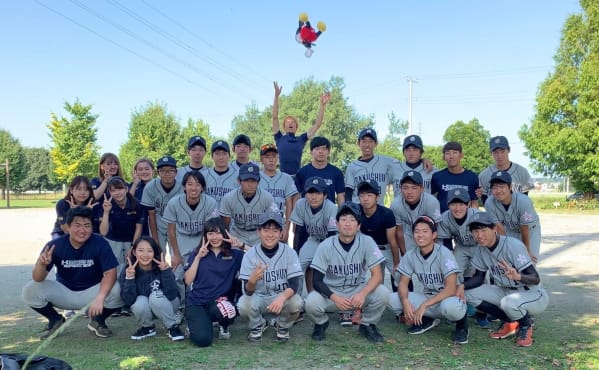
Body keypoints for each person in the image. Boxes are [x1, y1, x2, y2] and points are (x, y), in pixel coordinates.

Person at [22, 206, 123, 339]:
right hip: (65, 292)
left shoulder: (100, 243)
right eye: (77, 225)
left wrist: (100, 298)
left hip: (92, 292)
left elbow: (110, 272)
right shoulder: (54, 245)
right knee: (30, 290)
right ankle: (55, 320)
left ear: (92, 228)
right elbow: (37, 278)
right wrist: (41, 265)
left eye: (87, 225)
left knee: (119, 290)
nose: (82, 230)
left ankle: (98, 320)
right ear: (68, 227)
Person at [305, 202, 389, 343]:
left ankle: (367, 324)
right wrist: (335, 298)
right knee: (311, 302)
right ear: (337, 224)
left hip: (357, 290)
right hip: (333, 292)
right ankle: (321, 323)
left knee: (383, 293)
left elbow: (377, 275)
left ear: (359, 225)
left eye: (352, 219)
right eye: (343, 219)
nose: (348, 223)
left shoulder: (367, 242)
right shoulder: (325, 245)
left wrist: (363, 294)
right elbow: (316, 281)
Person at [462, 212, 549, 347]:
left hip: (532, 294)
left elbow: (535, 279)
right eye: (475, 231)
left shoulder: (513, 245)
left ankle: (526, 324)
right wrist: (458, 287)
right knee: (467, 293)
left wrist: (518, 276)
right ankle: (509, 321)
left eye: (483, 230)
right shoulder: (481, 249)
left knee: (508, 302)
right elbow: (478, 278)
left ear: (494, 229)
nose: (479, 235)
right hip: (505, 291)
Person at [388, 216, 469, 344]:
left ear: (434, 235)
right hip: (428, 297)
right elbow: (403, 283)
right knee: (392, 300)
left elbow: (451, 288)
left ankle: (461, 324)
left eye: (425, 231)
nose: (420, 235)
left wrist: (424, 305)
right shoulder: (411, 255)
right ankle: (428, 320)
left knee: (450, 308)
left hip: (448, 298)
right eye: (417, 231)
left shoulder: (444, 253)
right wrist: (405, 302)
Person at [238, 212, 304, 342]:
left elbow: (295, 285)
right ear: (259, 232)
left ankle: (282, 325)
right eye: (266, 230)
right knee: (243, 304)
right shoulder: (250, 255)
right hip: (259, 298)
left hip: (281, 296)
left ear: (281, 234)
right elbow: (248, 291)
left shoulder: (289, 252)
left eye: (275, 230)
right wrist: (252, 280)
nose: (270, 234)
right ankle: (258, 324)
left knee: (296, 302)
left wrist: (282, 298)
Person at [184, 218, 245, 347]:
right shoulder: (197, 253)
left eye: (218, 233)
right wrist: (198, 258)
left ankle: (224, 325)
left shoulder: (234, 254)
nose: (214, 237)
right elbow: (188, 280)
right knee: (203, 340)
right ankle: (197, 322)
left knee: (226, 309)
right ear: (205, 236)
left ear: (225, 234)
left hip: (220, 302)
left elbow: (258, 257)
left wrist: (242, 245)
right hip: (197, 302)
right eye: (210, 233)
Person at [163, 170, 219, 307]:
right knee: (177, 274)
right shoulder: (174, 202)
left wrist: (199, 252)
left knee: (201, 272)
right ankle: (180, 306)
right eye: (189, 184)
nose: (193, 188)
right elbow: (171, 230)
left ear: (202, 188)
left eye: (197, 184)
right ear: (184, 187)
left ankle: (199, 304)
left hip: (201, 239)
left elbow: (210, 230)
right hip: (180, 238)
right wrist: (175, 254)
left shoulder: (210, 202)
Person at [119, 236, 184, 341]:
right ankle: (148, 327)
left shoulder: (161, 267)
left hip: (168, 304)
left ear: (155, 252)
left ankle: (172, 327)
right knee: (139, 301)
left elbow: (172, 294)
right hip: (146, 308)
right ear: (134, 252)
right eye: (141, 250)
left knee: (155, 296)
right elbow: (128, 300)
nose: (145, 255)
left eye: (150, 251)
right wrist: (129, 278)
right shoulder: (128, 270)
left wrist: (166, 271)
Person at [272, 81, 331, 176]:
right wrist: (276, 96)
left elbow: (317, 125)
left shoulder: (301, 139)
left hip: (297, 176)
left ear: (296, 127)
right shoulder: (279, 138)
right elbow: (275, 117)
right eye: (288, 122)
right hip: (282, 176)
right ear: (284, 127)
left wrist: (322, 106)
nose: (290, 124)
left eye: (293, 122)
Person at [289, 177, 337, 290]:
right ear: (305, 194)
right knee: (297, 266)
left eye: (317, 193)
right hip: (313, 239)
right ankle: (296, 299)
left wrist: (329, 257)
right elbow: (298, 231)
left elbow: (332, 235)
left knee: (329, 270)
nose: (313, 196)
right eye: (310, 192)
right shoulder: (300, 204)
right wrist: (296, 253)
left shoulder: (331, 208)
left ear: (325, 195)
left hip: (331, 242)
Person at [484, 171, 541, 263]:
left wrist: (526, 249)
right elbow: (499, 228)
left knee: (527, 261)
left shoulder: (523, 201)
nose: (498, 191)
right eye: (494, 187)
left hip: (530, 231)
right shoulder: (489, 203)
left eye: (502, 186)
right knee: (509, 259)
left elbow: (524, 227)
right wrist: (505, 248)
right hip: (510, 229)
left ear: (510, 187)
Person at [219, 163, 278, 247]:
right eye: (246, 180)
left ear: (258, 182)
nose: (250, 184)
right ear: (239, 181)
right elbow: (225, 226)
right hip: (237, 234)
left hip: (259, 235)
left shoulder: (267, 197)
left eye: (253, 181)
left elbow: (274, 221)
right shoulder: (229, 198)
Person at [356, 180, 400, 292]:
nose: (365, 199)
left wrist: (396, 263)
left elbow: (392, 241)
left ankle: (406, 302)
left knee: (400, 275)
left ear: (377, 197)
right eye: (362, 195)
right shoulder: (356, 211)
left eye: (369, 195)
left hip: (385, 247)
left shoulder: (386, 213)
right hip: (366, 249)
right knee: (358, 276)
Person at [390, 171, 441, 256]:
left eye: (414, 187)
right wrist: (404, 254)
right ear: (400, 188)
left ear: (421, 188)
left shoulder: (431, 202)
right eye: (405, 188)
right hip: (410, 234)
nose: (409, 192)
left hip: (429, 234)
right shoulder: (396, 204)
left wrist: (431, 252)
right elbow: (399, 232)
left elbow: (436, 229)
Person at [99, 176, 144, 267]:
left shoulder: (137, 204)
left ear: (126, 189)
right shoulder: (106, 205)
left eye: (120, 189)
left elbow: (138, 228)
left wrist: (133, 246)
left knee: (132, 266)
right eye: (113, 190)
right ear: (109, 192)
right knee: (114, 268)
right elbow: (103, 232)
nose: (117, 193)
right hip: (113, 241)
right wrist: (106, 212)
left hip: (131, 241)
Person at [141, 156, 183, 251]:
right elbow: (151, 215)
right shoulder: (150, 187)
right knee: (158, 253)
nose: (167, 174)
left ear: (176, 172)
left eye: (170, 171)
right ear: (158, 172)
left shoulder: (182, 187)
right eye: (163, 171)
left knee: (177, 254)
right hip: (158, 224)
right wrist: (155, 240)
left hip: (176, 224)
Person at [345, 128, 397, 204]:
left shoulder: (386, 161)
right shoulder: (352, 166)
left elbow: (404, 166)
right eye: (364, 141)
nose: (367, 145)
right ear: (359, 143)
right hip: (358, 210)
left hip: (379, 210)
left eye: (370, 141)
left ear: (376, 143)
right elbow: (348, 193)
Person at [259, 143, 299, 242]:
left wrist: (286, 228)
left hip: (279, 223)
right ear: (261, 159)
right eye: (267, 157)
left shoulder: (286, 178)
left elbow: (289, 203)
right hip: (260, 223)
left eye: (273, 156)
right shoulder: (256, 177)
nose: (271, 160)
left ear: (278, 158)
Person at [478, 136, 534, 203]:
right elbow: (485, 201)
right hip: (494, 213)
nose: (499, 155)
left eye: (502, 151)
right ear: (490, 153)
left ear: (509, 150)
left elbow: (525, 198)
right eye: (495, 152)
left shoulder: (522, 172)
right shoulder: (483, 175)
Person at [430, 142, 480, 213]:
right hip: (443, 219)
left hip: (464, 220)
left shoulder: (472, 177)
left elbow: (474, 202)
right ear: (443, 157)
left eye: (455, 152)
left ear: (461, 155)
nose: (451, 156)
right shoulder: (437, 176)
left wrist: (475, 219)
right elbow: (430, 198)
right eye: (447, 153)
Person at [295, 136, 345, 205]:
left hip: (329, 214)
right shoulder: (302, 172)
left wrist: (341, 213)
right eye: (317, 149)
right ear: (311, 152)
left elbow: (341, 196)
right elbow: (296, 196)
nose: (321, 152)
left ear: (328, 152)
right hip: (306, 214)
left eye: (324, 149)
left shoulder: (336, 172)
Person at [203, 140, 239, 207]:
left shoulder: (238, 176)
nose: (221, 157)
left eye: (224, 153)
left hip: (230, 215)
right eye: (217, 154)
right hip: (208, 215)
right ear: (212, 156)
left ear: (229, 156)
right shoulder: (204, 175)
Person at [129, 158, 155, 236]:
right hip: (137, 225)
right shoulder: (133, 186)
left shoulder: (159, 185)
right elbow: (128, 201)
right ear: (135, 172)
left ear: (152, 171)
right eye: (140, 169)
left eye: (147, 169)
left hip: (156, 225)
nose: (144, 172)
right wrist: (135, 184)